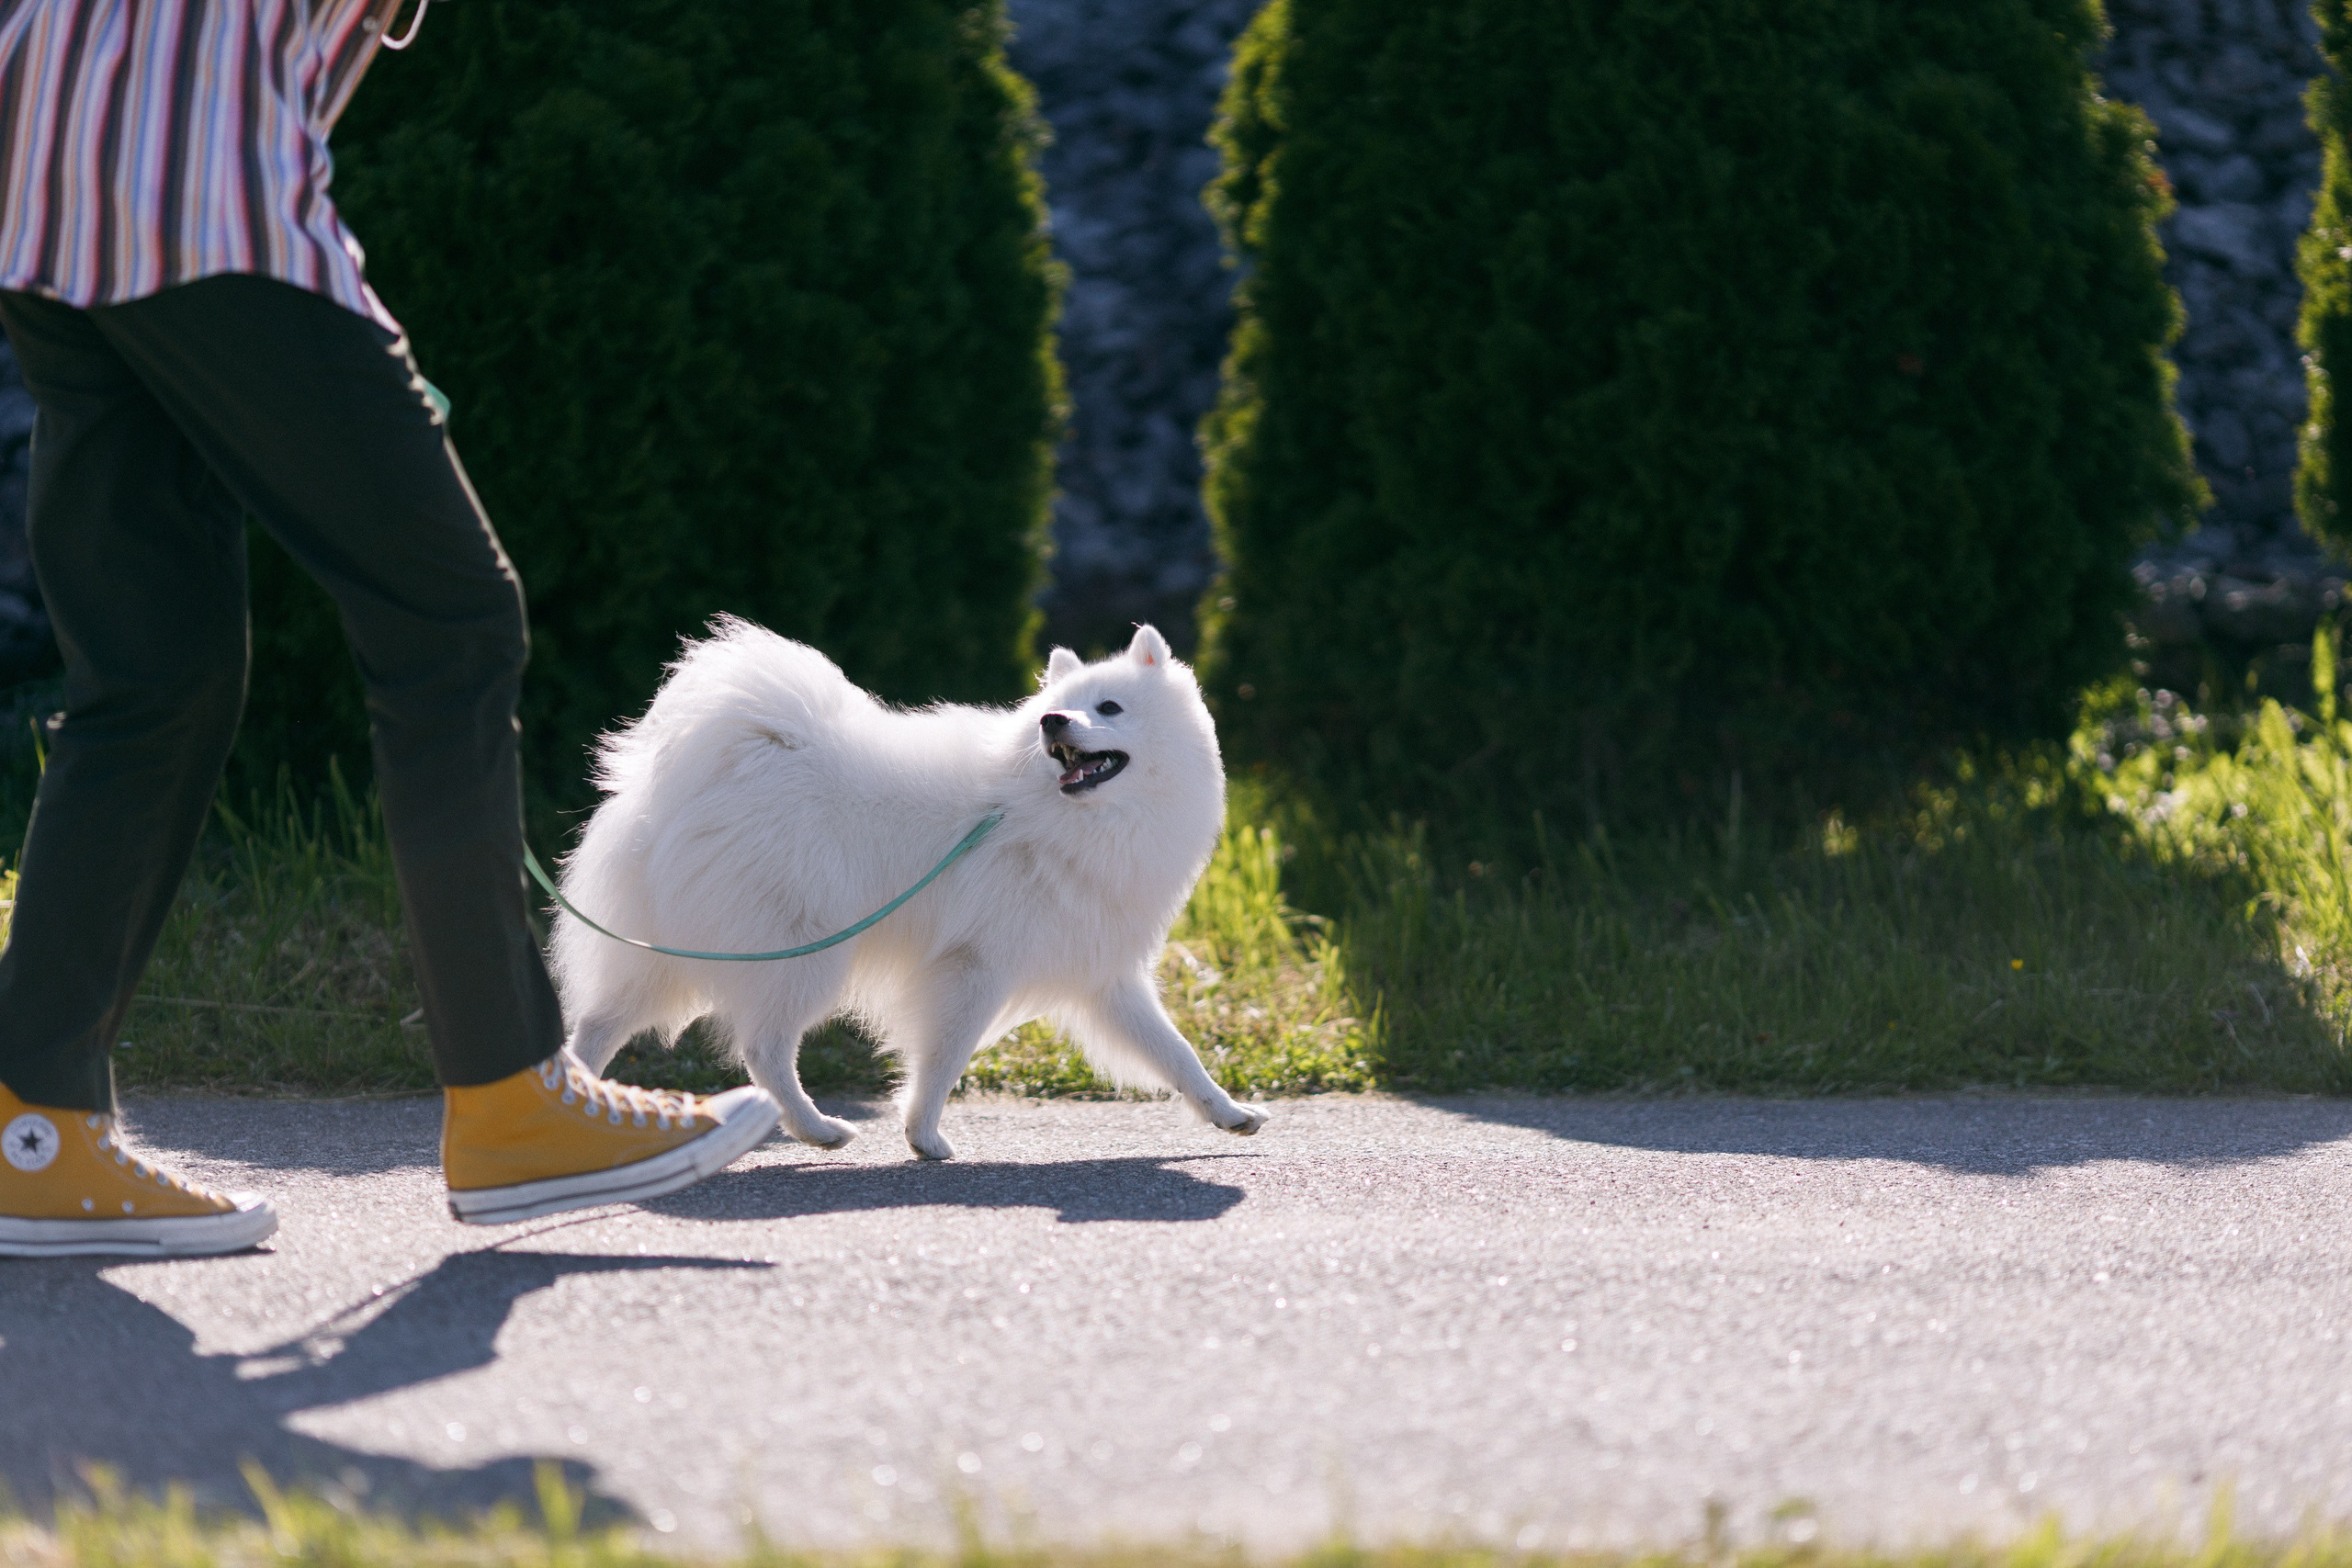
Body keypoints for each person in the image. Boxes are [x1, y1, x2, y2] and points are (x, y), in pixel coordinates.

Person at [0, 0, 781, 1258]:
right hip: (193, 170)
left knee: (154, 677)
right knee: (451, 623)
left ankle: (28, 1131)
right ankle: (513, 1100)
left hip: (47, 144)